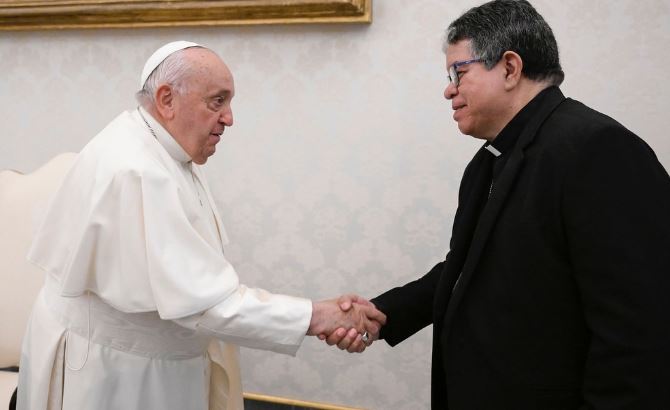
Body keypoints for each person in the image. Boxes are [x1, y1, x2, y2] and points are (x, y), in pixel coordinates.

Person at [327, 1, 670, 409]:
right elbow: (470, 268)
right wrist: (385, 313)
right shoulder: (489, 159)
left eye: (459, 72)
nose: (448, 89)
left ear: (509, 67)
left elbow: (640, 332)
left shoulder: (598, 150)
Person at [15, 41, 385, 410]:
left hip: (149, 364)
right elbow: (202, 304)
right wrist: (317, 315)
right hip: (116, 376)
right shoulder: (136, 170)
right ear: (166, 99)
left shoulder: (163, 147)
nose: (229, 117)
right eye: (217, 101)